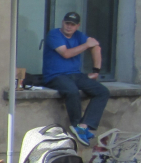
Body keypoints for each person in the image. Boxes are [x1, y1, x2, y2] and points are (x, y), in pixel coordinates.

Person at [42, 12, 110, 145]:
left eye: (72, 24)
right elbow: (66, 53)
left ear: (77, 26)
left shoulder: (79, 35)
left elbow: (96, 47)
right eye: (67, 23)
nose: (69, 27)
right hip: (55, 76)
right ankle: (75, 124)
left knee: (102, 92)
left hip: (75, 74)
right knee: (72, 91)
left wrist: (96, 71)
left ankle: (84, 126)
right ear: (63, 22)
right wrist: (86, 45)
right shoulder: (54, 34)